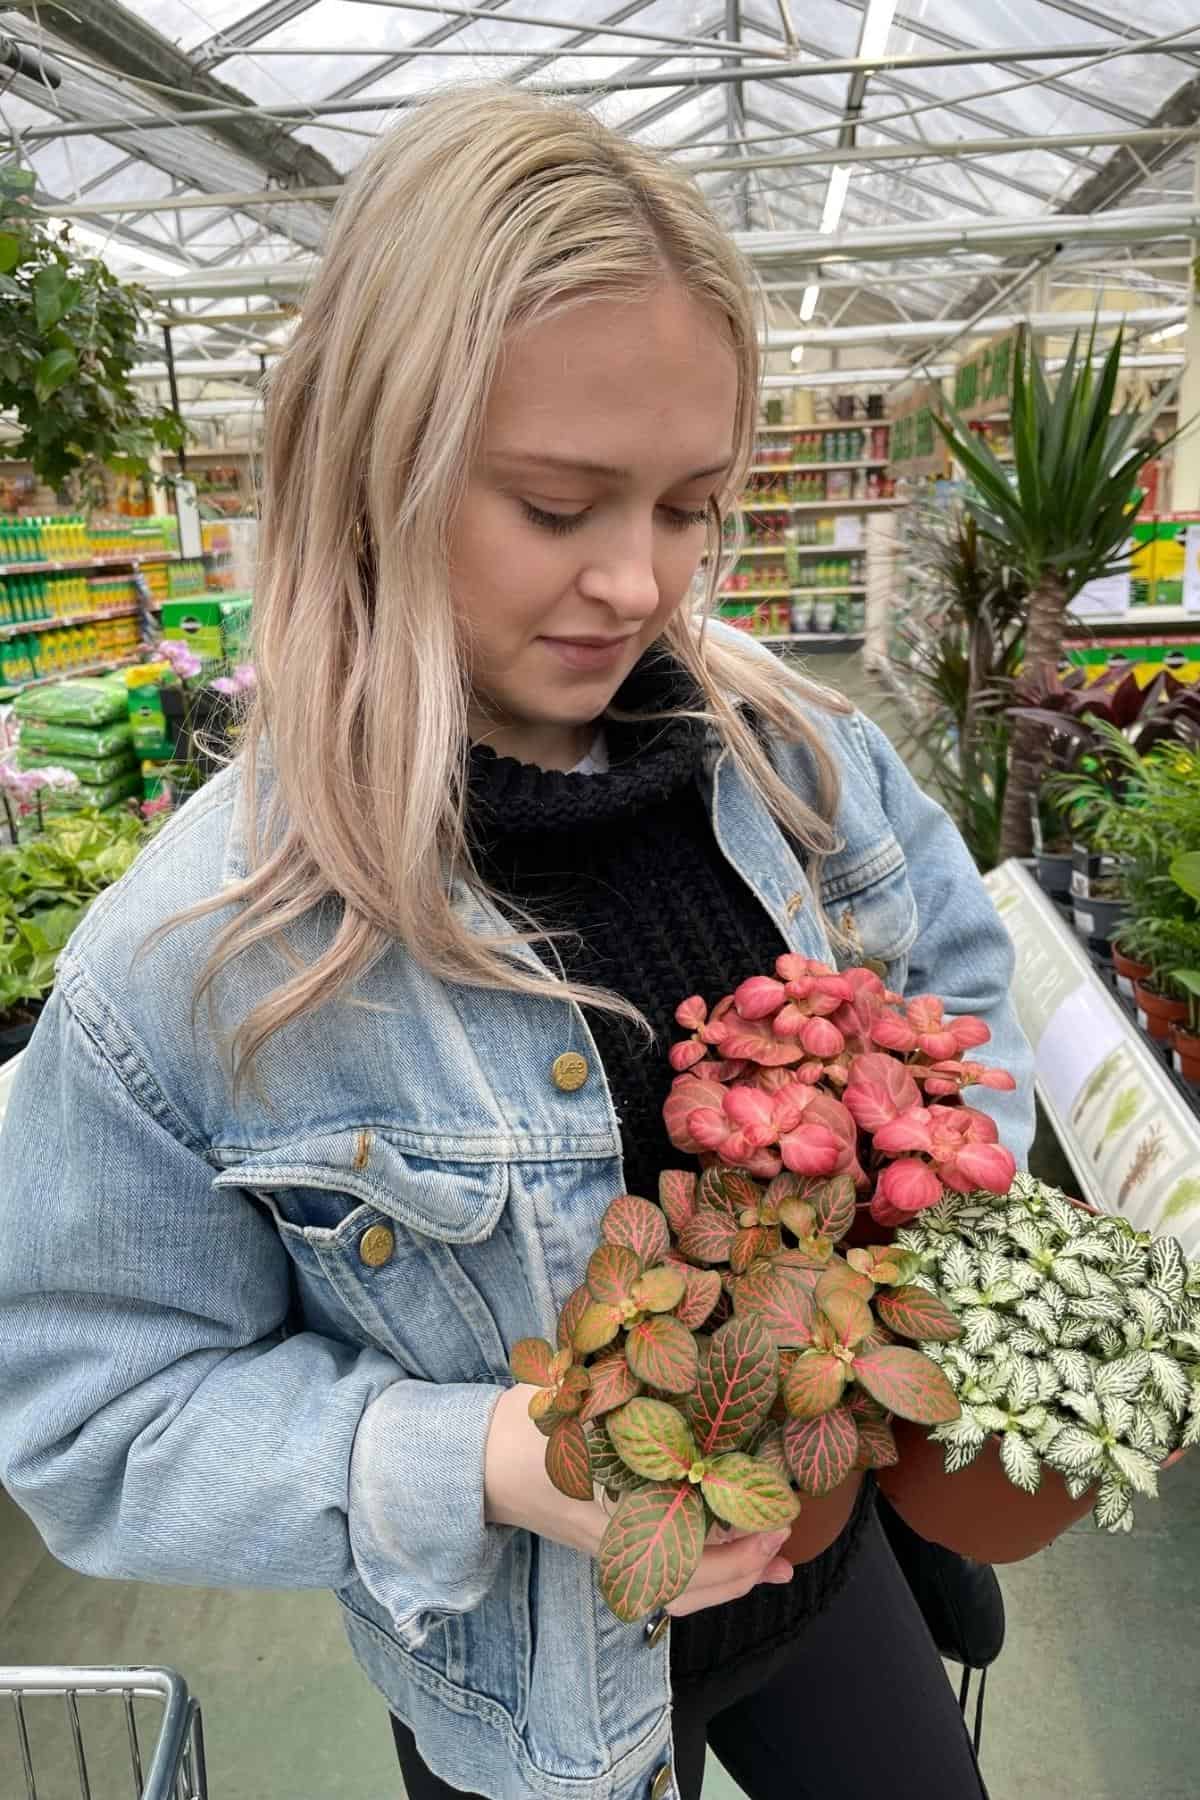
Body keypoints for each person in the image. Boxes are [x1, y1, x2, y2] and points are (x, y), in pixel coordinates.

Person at [0, 87, 1032, 1800]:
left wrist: (918, 1217)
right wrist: (484, 1455)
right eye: (557, 507)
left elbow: (956, 994)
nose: (636, 583)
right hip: (526, 1687)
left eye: (690, 506)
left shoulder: (800, 766)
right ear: (372, 465)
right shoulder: (202, 957)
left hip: (827, 1564)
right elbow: (93, 1415)